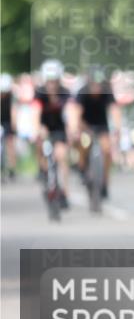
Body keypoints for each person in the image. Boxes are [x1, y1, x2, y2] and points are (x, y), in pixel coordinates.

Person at [70, 67, 120, 199]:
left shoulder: (107, 92)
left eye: (99, 84)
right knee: (83, 145)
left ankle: (104, 182)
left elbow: (114, 111)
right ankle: (82, 168)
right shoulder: (82, 92)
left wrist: (117, 130)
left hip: (102, 127)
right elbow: (76, 113)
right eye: (94, 84)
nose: (96, 87)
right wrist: (76, 129)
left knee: (107, 150)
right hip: (86, 126)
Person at [32, 59, 72, 208]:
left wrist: (71, 129)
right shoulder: (39, 93)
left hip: (59, 129)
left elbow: (71, 112)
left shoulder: (65, 93)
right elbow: (35, 112)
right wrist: (37, 129)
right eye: (49, 81)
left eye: (54, 81)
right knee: (41, 147)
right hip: (44, 127)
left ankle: (65, 192)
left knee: (62, 157)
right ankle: (43, 170)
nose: (52, 84)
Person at [1, 73, 16, 180]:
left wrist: (14, 126)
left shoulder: (12, 97)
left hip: (8, 122)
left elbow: (14, 111)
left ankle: (11, 168)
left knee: (10, 144)